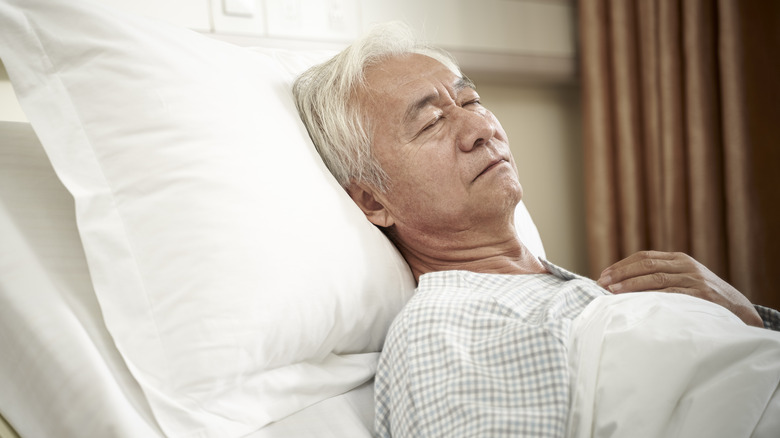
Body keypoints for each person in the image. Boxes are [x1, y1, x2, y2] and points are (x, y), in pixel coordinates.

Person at [293, 23, 780, 437]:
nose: (481, 128)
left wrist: (748, 317)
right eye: (432, 122)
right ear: (374, 202)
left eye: (471, 100)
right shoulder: (447, 336)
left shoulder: (576, 295)